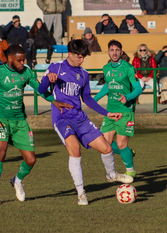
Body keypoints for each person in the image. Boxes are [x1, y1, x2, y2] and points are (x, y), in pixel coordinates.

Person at [38, 39, 133, 206]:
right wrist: (48, 80)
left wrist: (107, 113)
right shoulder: (56, 67)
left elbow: (87, 98)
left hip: (80, 118)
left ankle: (111, 175)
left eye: (83, 57)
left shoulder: (83, 74)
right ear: (70, 54)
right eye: (79, 57)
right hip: (62, 118)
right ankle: (81, 192)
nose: (81, 60)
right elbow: (41, 90)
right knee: (75, 150)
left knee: (107, 148)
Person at [0, 45, 72, 205]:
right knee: (1, 152)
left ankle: (17, 180)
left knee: (31, 160)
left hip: (20, 122)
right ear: (9, 59)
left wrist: (54, 101)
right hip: (1, 120)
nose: (22, 63)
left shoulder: (27, 72)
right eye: (19, 60)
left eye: (24, 60)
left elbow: (40, 90)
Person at [92, 39, 142, 179]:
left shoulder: (128, 68)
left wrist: (128, 97)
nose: (114, 53)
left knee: (120, 143)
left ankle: (130, 171)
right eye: (112, 50)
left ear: (121, 51)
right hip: (110, 112)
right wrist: (94, 99)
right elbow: (108, 86)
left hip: (125, 112)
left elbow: (138, 88)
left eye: (117, 50)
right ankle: (127, 152)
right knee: (104, 145)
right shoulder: (106, 68)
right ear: (108, 52)